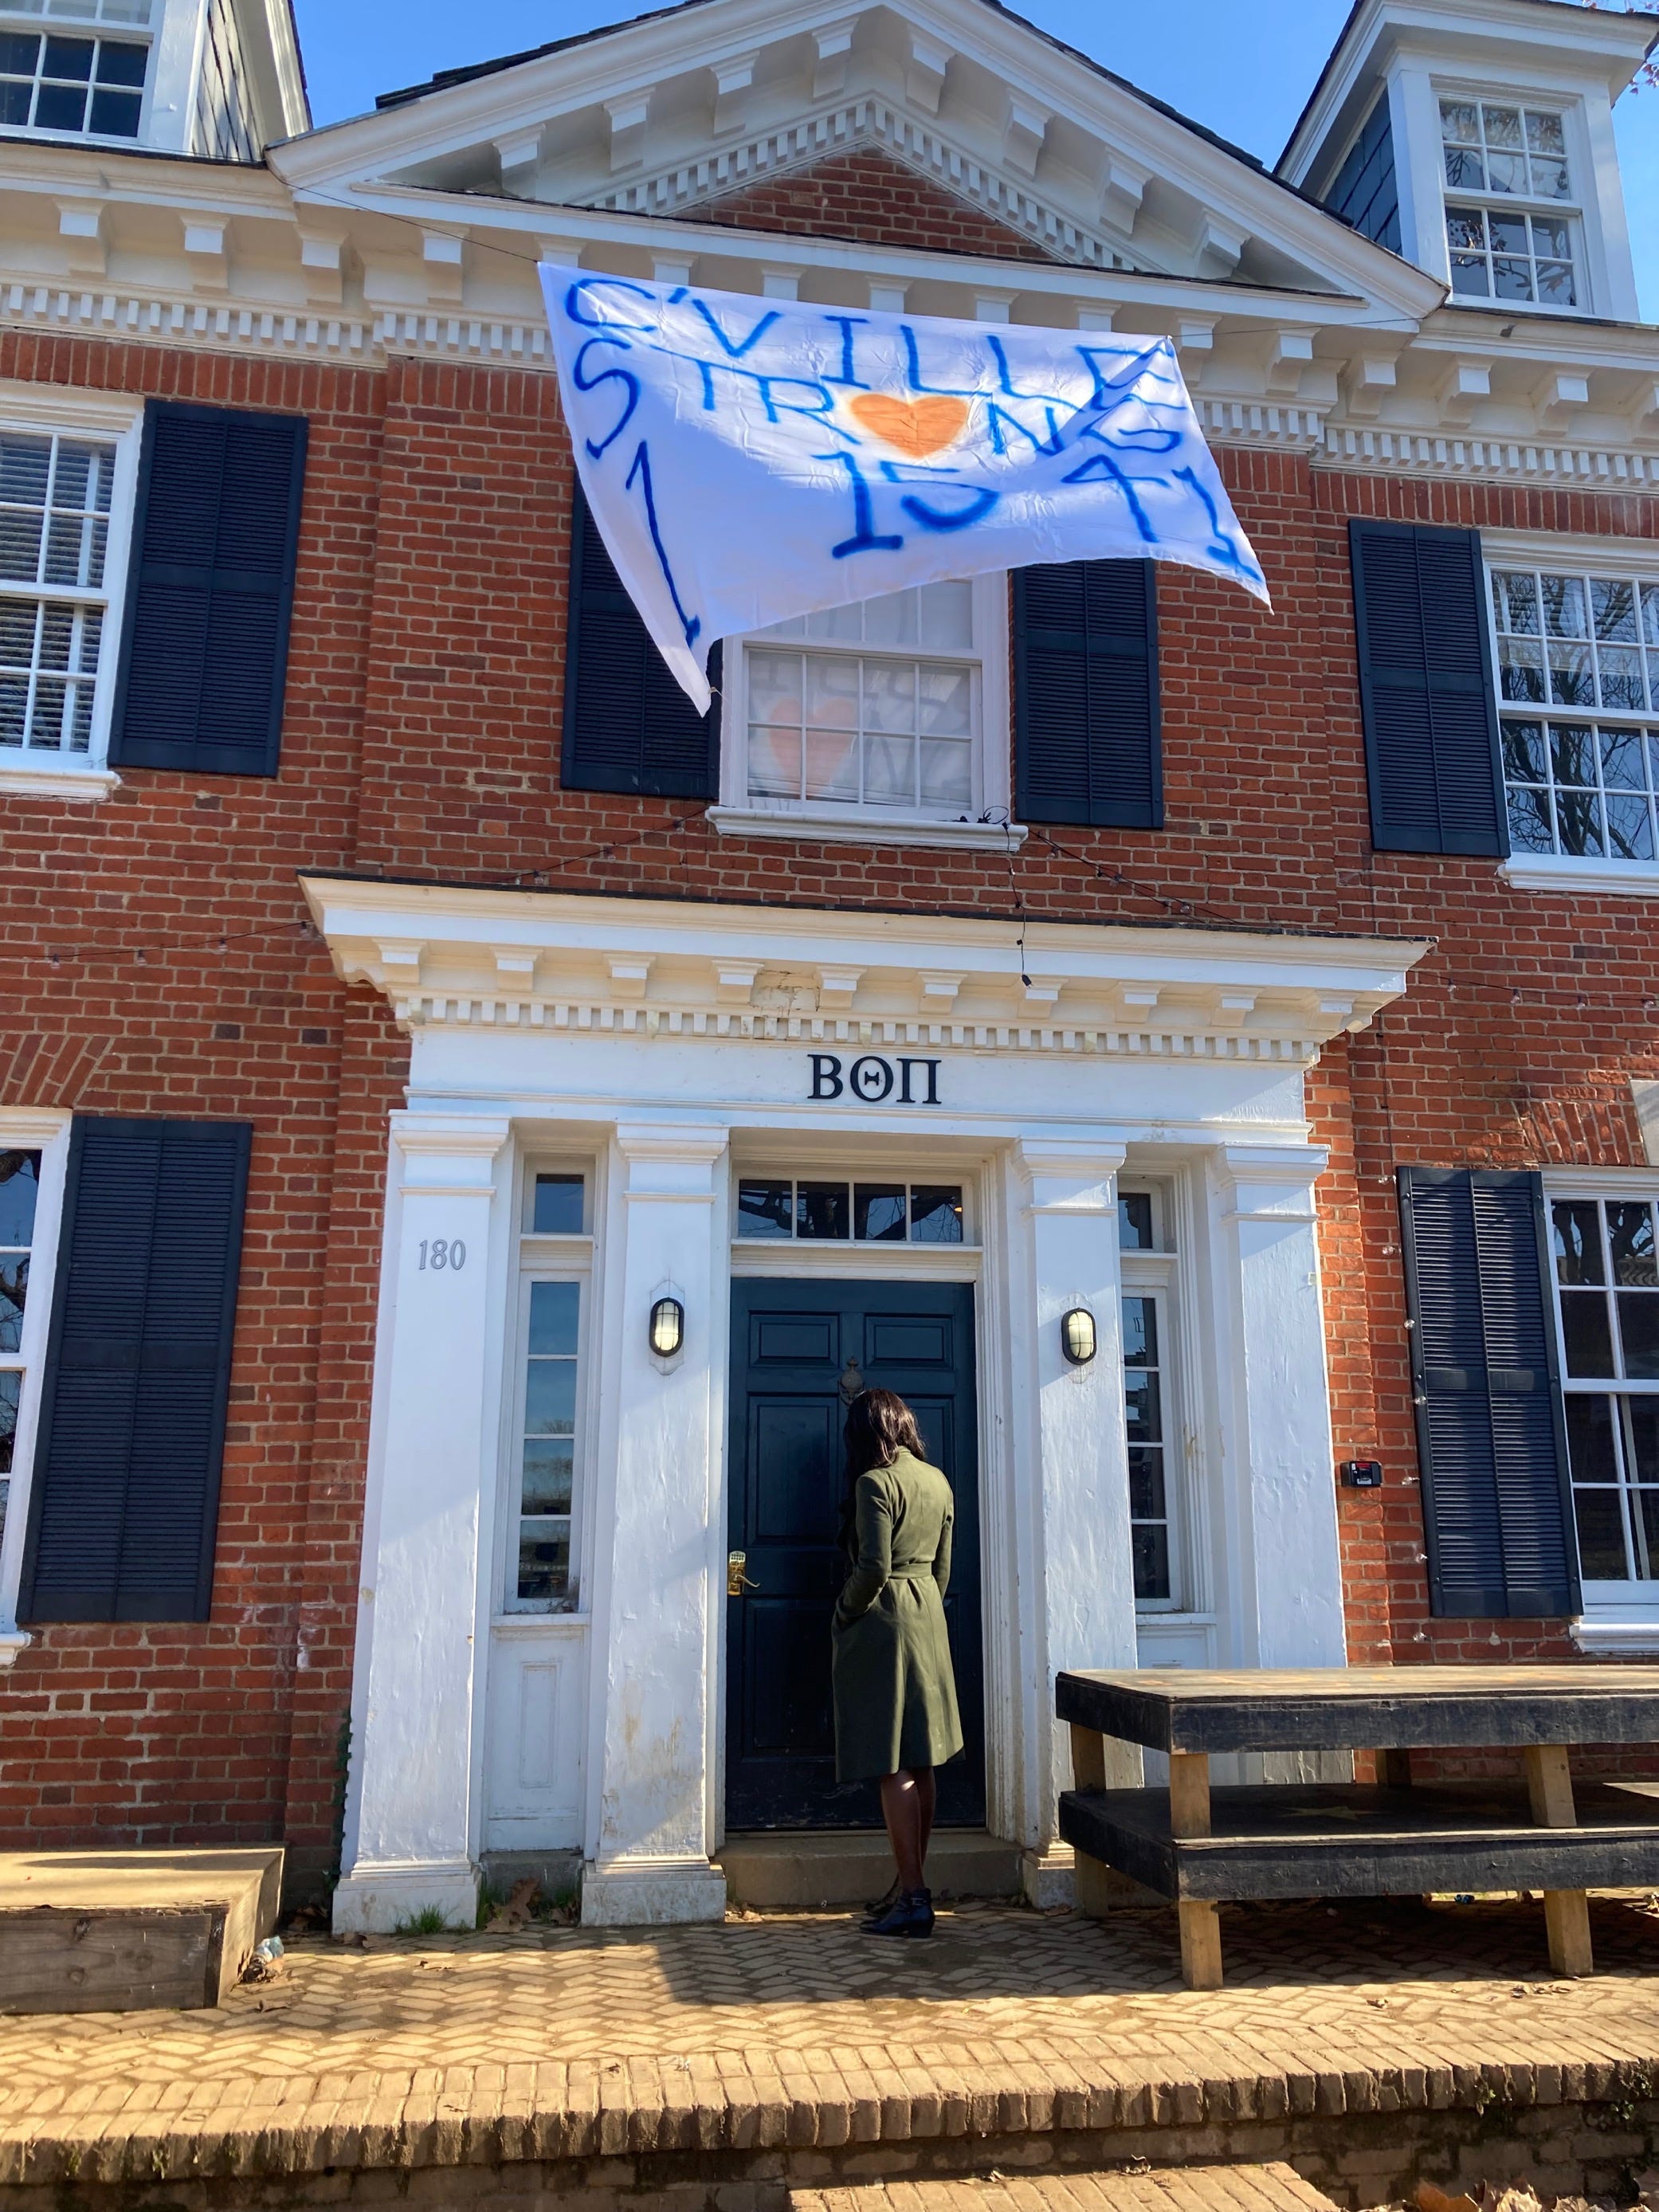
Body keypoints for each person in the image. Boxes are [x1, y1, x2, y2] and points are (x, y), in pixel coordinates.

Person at [830, 1387, 964, 1939]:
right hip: (928, 1617)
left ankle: (913, 1897)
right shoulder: (938, 1481)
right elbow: (943, 1569)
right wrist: (925, 1606)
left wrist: (844, 1611)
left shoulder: (874, 1483)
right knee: (922, 1757)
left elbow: (873, 1567)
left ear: (865, 1433)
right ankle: (909, 1885)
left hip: (886, 1623)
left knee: (892, 1761)